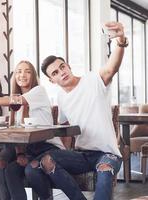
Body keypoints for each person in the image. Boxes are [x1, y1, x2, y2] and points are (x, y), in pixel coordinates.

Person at [27, 21, 127, 200]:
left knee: (104, 171)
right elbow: (65, 130)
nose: (61, 73)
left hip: (107, 153)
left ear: (68, 65)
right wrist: (63, 153)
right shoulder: (61, 97)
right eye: (55, 73)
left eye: (62, 67)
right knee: (45, 161)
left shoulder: (93, 80)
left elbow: (112, 67)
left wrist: (120, 40)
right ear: (52, 80)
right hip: (82, 154)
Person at [0, 61, 65, 200]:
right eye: (18, 71)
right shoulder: (16, 105)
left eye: (27, 71)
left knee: (7, 160)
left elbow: (17, 100)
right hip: (29, 149)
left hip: (48, 147)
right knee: (8, 168)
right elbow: (17, 132)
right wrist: (20, 153)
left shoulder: (38, 91)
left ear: (33, 75)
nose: (22, 75)